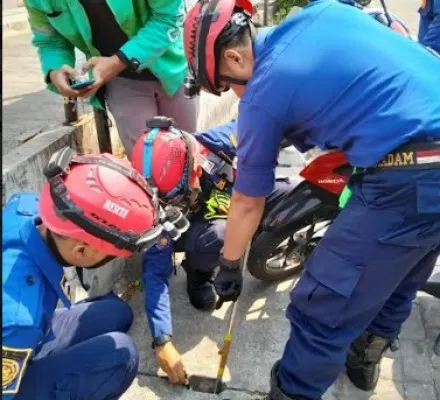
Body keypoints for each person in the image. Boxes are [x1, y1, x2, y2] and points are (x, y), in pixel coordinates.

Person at [183, 0, 440, 399]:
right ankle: (364, 356)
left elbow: (248, 202)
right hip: (424, 148)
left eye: (223, 84)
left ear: (234, 56)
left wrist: (230, 265)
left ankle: (294, 391)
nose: (232, 94)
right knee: (405, 271)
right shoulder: (323, 12)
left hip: (411, 175)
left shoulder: (263, 89)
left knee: (322, 306)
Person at [130, 116, 295, 384]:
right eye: (166, 198)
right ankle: (199, 272)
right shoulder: (154, 205)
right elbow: (155, 278)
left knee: (292, 191)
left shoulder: (216, 143)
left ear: (196, 166)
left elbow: (264, 121)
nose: (173, 203)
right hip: (206, 229)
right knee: (217, 236)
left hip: (236, 199)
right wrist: (161, 340)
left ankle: (255, 229)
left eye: (180, 196)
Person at [2, 147, 174, 399]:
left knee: (116, 312)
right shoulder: (20, 321)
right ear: (81, 250)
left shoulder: (27, 208)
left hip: (29, 333)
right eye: (112, 252)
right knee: (122, 357)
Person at [24, 0, 197, 156]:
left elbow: (169, 17)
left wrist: (119, 61)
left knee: (187, 154)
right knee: (147, 164)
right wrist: (54, 71)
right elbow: (50, 41)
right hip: (121, 81)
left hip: (173, 68)